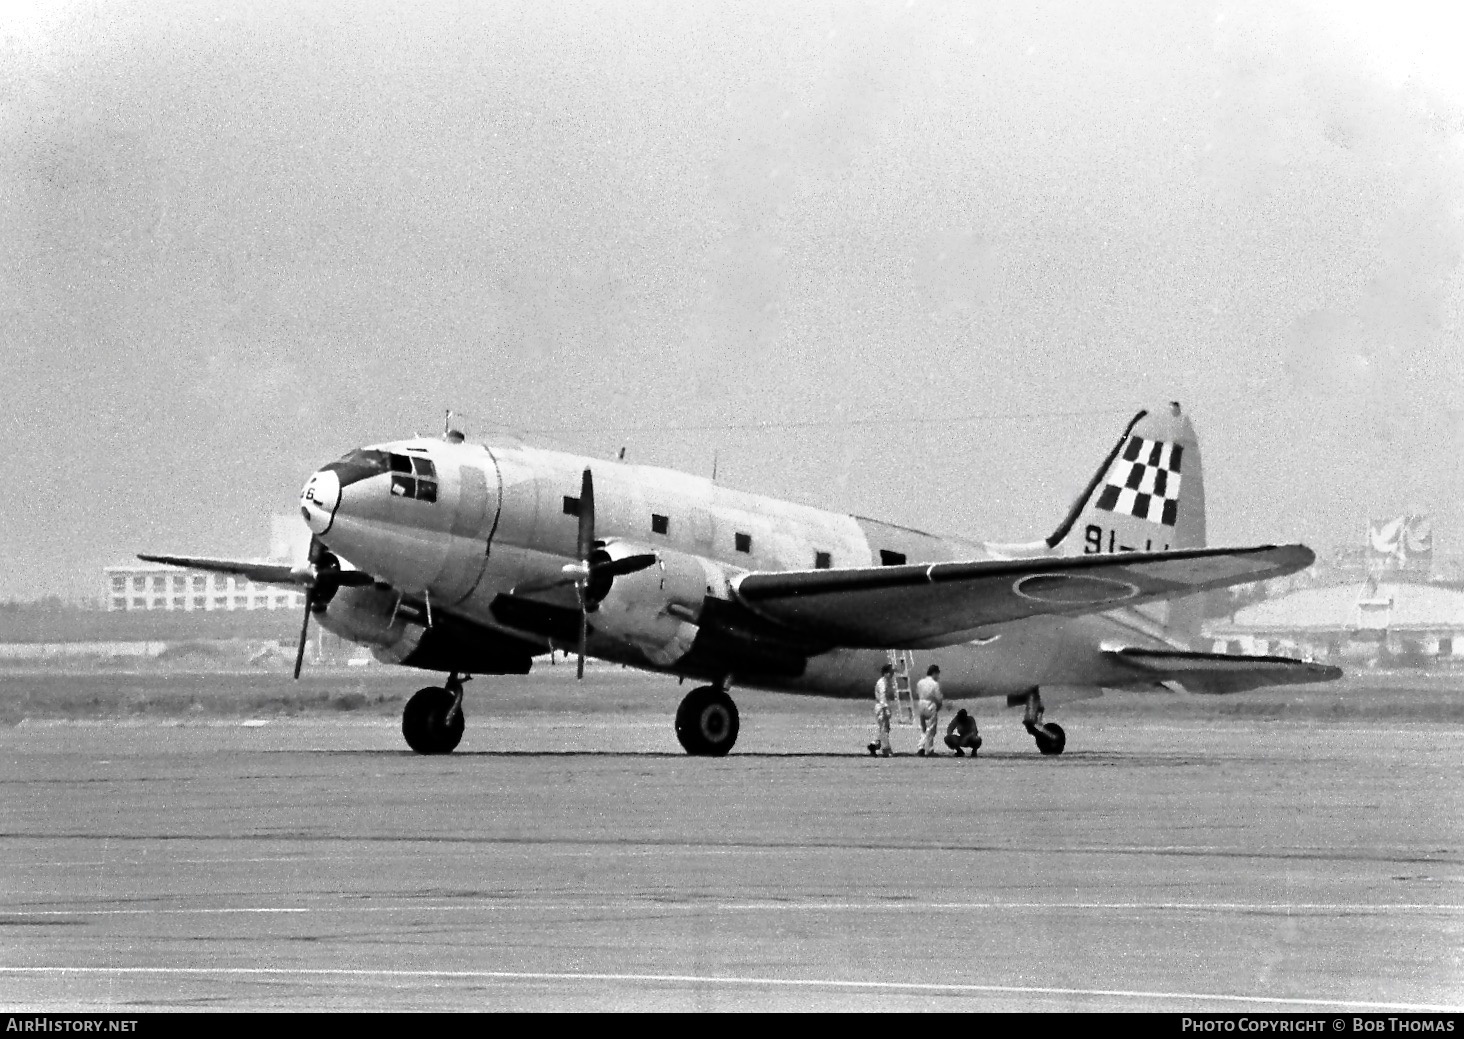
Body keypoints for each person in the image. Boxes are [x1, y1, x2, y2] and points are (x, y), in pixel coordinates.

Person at [913, 664, 943, 757]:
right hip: (930, 704)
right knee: (931, 729)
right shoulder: (935, 684)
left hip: (921, 703)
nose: (938, 676)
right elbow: (938, 698)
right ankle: (929, 749)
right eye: (937, 674)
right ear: (934, 673)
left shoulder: (920, 682)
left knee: (923, 728)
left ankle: (921, 747)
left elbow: (917, 693)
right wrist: (938, 706)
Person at [867, 663, 895, 757]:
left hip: (882, 706)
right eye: (890, 672)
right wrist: (886, 709)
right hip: (881, 708)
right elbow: (882, 697)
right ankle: (886, 749)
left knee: (884, 729)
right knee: (884, 729)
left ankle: (874, 745)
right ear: (886, 673)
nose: (892, 674)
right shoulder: (882, 683)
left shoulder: (885, 682)